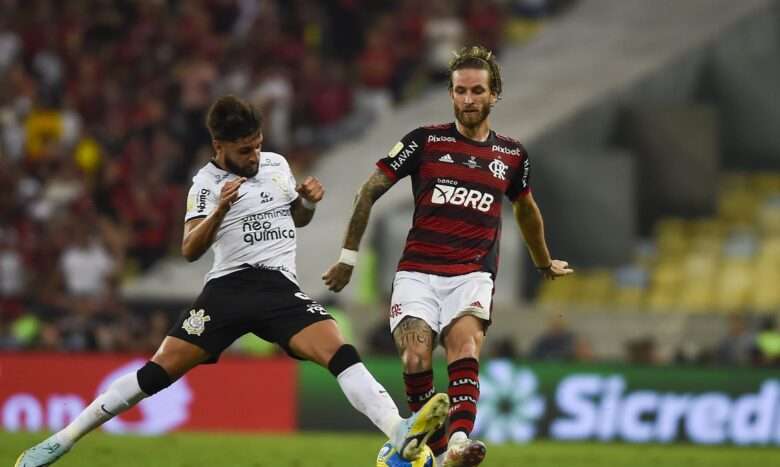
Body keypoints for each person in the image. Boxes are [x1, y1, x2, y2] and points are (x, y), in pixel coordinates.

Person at [16, 96, 449, 467]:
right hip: (228, 289)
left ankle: (399, 435)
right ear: (219, 146)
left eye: (258, 145)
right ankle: (62, 440)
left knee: (340, 350)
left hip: (279, 287)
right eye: (245, 150)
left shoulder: (277, 164)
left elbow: (295, 219)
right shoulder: (205, 185)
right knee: (155, 374)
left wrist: (306, 202)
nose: (255, 156)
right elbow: (189, 249)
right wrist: (221, 210)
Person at [323, 46, 573, 467]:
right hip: (418, 273)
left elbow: (526, 211)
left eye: (478, 91)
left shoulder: (511, 156)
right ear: (451, 94)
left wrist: (543, 261)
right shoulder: (424, 141)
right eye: (460, 91)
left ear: (495, 95)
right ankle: (439, 456)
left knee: (465, 350)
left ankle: (457, 443)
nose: (469, 99)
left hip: (472, 274)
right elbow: (368, 191)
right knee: (415, 356)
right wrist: (348, 257)